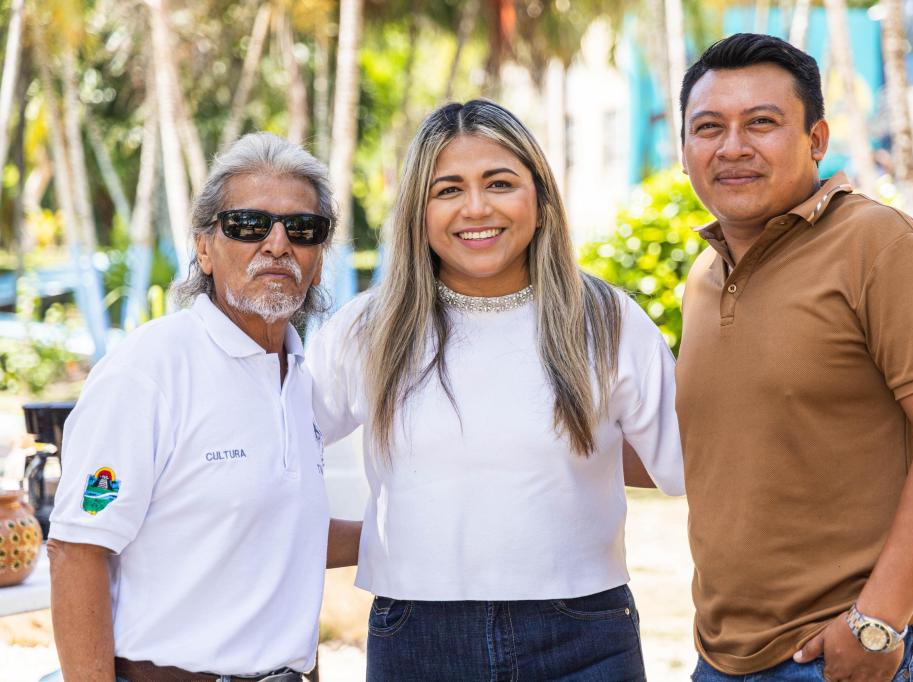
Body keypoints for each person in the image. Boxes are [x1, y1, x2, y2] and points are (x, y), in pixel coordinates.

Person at [307, 99, 684, 681]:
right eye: (448, 190)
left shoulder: (608, 321)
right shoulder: (368, 329)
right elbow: (273, 455)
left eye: (500, 183)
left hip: (584, 634)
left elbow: (690, 466)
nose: (476, 207)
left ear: (541, 197)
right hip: (417, 637)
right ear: (418, 211)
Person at [673, 33, 913, 682]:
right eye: (708, 127)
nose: (732, 147)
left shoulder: (882, 246)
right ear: (684, 150)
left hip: (853, 652)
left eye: (761, 123)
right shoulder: (704, 277)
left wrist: (877, 620)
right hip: (721, 656)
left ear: (817, 140)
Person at [48, 132, 361, 682]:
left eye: (302, 229)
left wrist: (414, 528)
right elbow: (77, 550)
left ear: (318, 259)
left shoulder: (298, 380)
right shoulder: (148, 372)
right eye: (248, 224)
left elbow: (277, 528)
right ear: (204, 249)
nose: (277, 244)